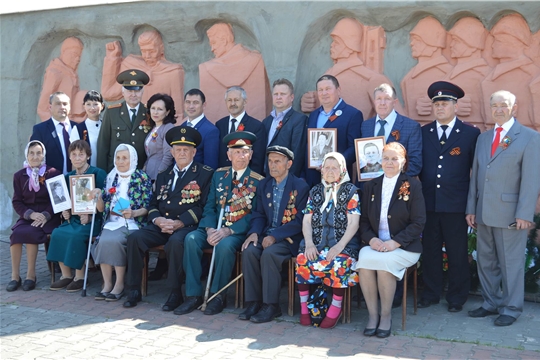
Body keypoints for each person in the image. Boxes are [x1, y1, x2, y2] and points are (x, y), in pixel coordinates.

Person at [466, 90, 540, 326]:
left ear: (514, 107)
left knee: (511, 263)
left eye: (504, 105)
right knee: (485, 260)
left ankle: (511, 308)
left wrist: (524, 214)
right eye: (495, 105)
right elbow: (476, 176)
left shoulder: (529, 137)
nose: (499, 109)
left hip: (510, 214)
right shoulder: (484, 138)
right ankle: (490, 302)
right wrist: (471, 208)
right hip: (484, 212)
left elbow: (531, 180)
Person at [122, 126, 214, 309]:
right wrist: (158, 220)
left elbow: (203, 206)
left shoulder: (204, 173)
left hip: (186, 226)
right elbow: (153, 204)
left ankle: (175, 293)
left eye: (186, 150)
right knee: (134, 238)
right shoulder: (164, 175)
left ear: (194, 152)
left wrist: (180, 222)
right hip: (162, 224)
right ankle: (133, 289)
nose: (181, 153)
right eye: (178, 149)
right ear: (171, 152)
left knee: (175, 243)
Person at [175, 131, 264, 316]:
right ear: (228, 155)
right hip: (212, 226)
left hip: (236, 232)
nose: (241, 156)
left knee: (224, 247)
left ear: (251, 154)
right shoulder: (219, 175)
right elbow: (209, 206)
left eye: (245, 152)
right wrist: (208, 229)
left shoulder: (258, 181)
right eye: (236, 152)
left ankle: (218, 295)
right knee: (191, 239)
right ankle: (193, 295)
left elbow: (255, 214)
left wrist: (228, 231)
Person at [418, 81, 480, 312]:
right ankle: (431, 293)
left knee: (457, 253)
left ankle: (457, 297)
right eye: (436, 104)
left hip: (456, 205)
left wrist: (472, 205)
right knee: (431, 252)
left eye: (445, 103)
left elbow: (477, 171)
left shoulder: (470, 133)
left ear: (455, 106)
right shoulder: (424, 132)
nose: (440, 107)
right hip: (429, 203)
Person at [354, 142, 426, 338]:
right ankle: (372, 315)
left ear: (403, 162)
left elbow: (419, 222)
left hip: (405, 247)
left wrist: (396, 242)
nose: (389, 162)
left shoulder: (413, 185)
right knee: (365, 259)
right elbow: (364, 221)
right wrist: (371, 240)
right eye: (386, 158)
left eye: (395, 159)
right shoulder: (371, 185)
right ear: (380, 161)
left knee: (384, 264)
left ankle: (386, 316)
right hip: (377, 244)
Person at [239, 146, 309, 323]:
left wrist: (275, 235)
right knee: (249, 250)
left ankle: (271, 306)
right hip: (265, 234)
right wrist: (254, 233)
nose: (272, 165)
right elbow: (259, 214)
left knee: (270, 254)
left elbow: (300, 220)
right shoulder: (264, 184)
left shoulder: (300, 186)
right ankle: (254, 302)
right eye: (270, 161)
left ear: (289, 164)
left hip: (289, 238)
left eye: (277, 161)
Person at [296, 152, 360, 329]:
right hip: (316, 243)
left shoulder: (350, 191)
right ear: (321, 170)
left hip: (343, 244)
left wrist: (339, 246)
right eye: (327, 167)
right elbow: (306, 220)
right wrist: (309, 243)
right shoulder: (315, 191)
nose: (330, 171)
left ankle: (335, 307)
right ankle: (304, 308)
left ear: (343, 170)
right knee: (303, 258)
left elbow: (354, 222)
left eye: (335, 167)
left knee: (339, 262)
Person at [300, 18, 399, 119]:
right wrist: (311, 101)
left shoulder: (372, 79)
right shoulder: (328, 75)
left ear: (349, 44)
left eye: (336, 42)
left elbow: (398, 119)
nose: (332, 45)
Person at [92, 144, 152, 301]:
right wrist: (98, 196)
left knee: (116, 241)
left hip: (133, 223)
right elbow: (100, 209)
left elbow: (148, 207)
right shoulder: (111, 177)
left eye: (125, 158)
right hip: (112, 222)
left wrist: (133, 213)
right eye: (118, 158)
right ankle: (107, 284)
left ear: (132, 159)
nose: (120, 161)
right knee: (103, 240)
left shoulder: (141, 177)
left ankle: (119, 284)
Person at [46, 140, 107, 292]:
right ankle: (66, 275)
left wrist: (91, 216)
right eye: (74, 155)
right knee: (57, 233)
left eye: (81, 154)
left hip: (93, 220)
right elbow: (65, 202)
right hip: (73, 219)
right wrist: (64, 211)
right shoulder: (68, 177)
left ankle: (80, 276)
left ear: (88, 156)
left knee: (76, 235)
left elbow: (104, 204)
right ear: (70, 157)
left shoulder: (98, 173)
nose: (77, 158)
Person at [7, 141, 62, 292]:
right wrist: (30, 215)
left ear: (43, 155)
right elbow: (17, 201)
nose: (35, 156)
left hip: (49, 216)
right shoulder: (19, 176)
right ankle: (14, 276)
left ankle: (31, 276)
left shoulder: (53, 173)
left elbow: (58, 199)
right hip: (29, 216)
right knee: (16, 234)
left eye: (38, 153)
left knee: (31, 233)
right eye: (31, 153)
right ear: (27, 155)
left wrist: (45, 215)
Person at [101, 30, 185, 116]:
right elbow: (108, 94)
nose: (147, 56)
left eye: (152, 51)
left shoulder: (172, 72)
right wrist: (112, 58)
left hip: (161, 125)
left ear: (161, 48)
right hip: (136, 124)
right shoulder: (133, 66)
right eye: (143, 51)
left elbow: (178, 112)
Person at [199, 23, 271, 121]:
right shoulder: (256, 59)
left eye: (214, 43)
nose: (212, 49)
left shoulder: (206, 68)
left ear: (224, 40)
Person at [480, 14, 539, 130]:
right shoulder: (493, 73)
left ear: (513, 43)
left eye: (498, 41)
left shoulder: (530, 73)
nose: (492, 45)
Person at [305, 75, 363, 187]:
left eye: (328, 89)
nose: (324, 93)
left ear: (338, 90)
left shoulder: (352, 114)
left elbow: (354, 148)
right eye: (320, 90)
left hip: (338, 180)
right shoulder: (313, 115)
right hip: (313, 179)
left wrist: (335, 164)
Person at [361, 84, 422, 177]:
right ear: (374, 102)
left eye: (387, 99)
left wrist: (391, 181)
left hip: (397, 187)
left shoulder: (411, 126)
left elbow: (415, 163)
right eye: (379, 99)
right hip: (369, 186)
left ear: (395, 102)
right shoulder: (365, 126)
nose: (382, 103)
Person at [401, 17, 453, 124]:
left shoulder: (447, 72)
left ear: (432, 43)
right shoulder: (411, 73)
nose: (412, 43)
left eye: (417, 40)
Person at [97, 69, 150, 172]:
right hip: (116, 170)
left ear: (142, 92)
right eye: (129, 91)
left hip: (141, 171)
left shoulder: (149, 113)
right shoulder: (112, 112)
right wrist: (102, 174)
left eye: (137, 91)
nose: (133, 94)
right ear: (123, 92)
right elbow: (103, 145)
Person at [445, 17, 491, 131]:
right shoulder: (449, 74)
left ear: (471, 43)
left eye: (456, 40)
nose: (451, 45)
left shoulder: (484, 74)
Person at [215, 86, 266, 175]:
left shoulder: (256, 126)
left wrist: (249, 182)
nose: (232, 103)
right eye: (229, 100)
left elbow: (258, 160)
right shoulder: (220, 124)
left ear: (245, 102)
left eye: (236, 100)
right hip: (223, 179)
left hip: (246, 179)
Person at [263, 79, 307, 177]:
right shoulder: (266, 121)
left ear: (291, 97)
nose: (278, 97)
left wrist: (288, 180)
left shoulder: (299, 120)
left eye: (282, 94)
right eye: (276, 94)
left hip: (286, 178)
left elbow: (297, 153)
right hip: (266, 177)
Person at [37, 37, 87, 122]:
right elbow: (42, 107)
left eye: (79, 56)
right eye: (74, 55)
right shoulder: (55, 73)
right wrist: (52, 126)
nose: (77, 59)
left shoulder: (72, 75)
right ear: (64, 53)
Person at [30, 92, 77, 174]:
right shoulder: (40, 129)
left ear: (69, 107)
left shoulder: (78, 127)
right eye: (58, 104)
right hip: (51, 180)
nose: (62, 107)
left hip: (76, 180)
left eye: (65, 104)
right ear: (50, 107)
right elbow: (35, 157)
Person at [182, 89, 220, 170]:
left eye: (195, 103)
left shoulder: (211, 131)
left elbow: (210, 166)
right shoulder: (182, 127)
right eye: (188, 102)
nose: (191, 106)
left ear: (204, 105)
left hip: (197, 180)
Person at [143, 93, 176, 181]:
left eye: (160, 109)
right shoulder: (154, 127)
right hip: (148, 175)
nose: (155, 112)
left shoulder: (168, 128)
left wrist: (159, 178)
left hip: (158, 176)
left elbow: (168, 156)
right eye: (153, 108)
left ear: (167, 112)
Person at [70, 90, 105, 167]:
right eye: (88, 104)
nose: (92, 108)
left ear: (102, 106)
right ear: (84, 106)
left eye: (95, 104)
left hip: (106, 171)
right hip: (87, 174)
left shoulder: (106, 126)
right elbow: (75, 155)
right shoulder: (78, 129)